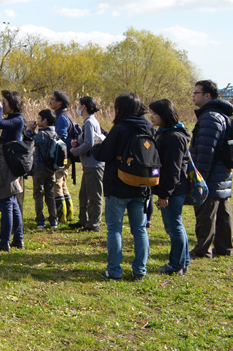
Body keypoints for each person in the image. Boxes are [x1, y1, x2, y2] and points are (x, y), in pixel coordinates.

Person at [93, 93, 153, 281]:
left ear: (121, 109)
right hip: (142, 185)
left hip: (118, 184)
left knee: (114, 229)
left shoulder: (120, 128)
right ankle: (139, 271)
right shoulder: (149, 127)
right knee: (140, 229)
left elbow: (103, 154)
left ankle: (114, 271)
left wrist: (96, 145)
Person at [190, 79, 233, 259]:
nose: (193, 96)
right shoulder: (221, 115)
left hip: (211, 173)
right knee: (223, 210)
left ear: (207, 95)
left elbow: (206, 151)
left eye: (196, 92)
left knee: (206, 211)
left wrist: (200, 178)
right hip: (222, 172)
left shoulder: (210, 117)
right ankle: (224, 247)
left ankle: (203, 249)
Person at [148, 98, 191, 275]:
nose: (151, 117)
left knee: (173, 226)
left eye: (155, 114)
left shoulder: (174, 137)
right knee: (176, 224)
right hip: (171, 187)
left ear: (165, 115)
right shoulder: (164, 132)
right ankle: (184, 261)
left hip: (174, 188)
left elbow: (174, 169)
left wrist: (165, 193)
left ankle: (175, 265)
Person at [0, 91, 25, 252]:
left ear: (12, 103)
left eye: (5, 102)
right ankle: (18, 239)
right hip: (6, 164)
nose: (3, 104)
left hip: (7, 166)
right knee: (13, 203)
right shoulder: (12, 119)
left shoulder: (17, 120)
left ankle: (4, 241)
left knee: (7, 203)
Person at [69, 96, 104, 232]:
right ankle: (83, 220)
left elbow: (89, 143)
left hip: (94, 165)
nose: (77, 107)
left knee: (94, 196)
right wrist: (78, 143)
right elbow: (91, 141)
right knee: (83, 195)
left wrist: (75, 150)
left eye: (78, 105)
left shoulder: (89, 122)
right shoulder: (91, 121)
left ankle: (94, 224)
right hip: (89, 165)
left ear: (83, 106)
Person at [49, 90, 76, 224]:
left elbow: (61, 138)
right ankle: (69, 214)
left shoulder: (61, 117)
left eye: (53, 99)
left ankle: (61, 216)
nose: (50, 101)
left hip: (62, 156)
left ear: (60, 102)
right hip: (67, 155)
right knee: (63, 184)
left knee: (57, 184)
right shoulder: (67, 115)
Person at [32, 109, 60, 230]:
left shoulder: (42, 134)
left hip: (40, 167)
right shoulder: (55, 133)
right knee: (50, 193)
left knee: (38, 193)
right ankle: (53, 220)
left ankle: (40, 220)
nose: (37, 121)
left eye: (39, 119)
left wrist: (29, 130)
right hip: (52, 168)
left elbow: (31, 142)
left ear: (45, 120)